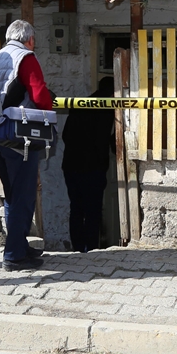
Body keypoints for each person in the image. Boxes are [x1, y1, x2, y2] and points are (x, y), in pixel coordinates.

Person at [0, 19, 54, 270]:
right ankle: (13, 255)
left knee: (13, 193)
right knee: (23, 194)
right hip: (19, 135)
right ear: (29, 39)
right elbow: (40, 96)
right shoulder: (26, 58)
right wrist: (50, 104)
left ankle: (20, 246)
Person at [61, 76, 115, 252]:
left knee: (76, 208)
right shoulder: (107, 107)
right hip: (92, 167)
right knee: (93, 210)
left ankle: (78, 248)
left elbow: (66, 135)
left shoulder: (81, 104)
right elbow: (102, 141)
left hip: (71, 165)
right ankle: (91, 248)